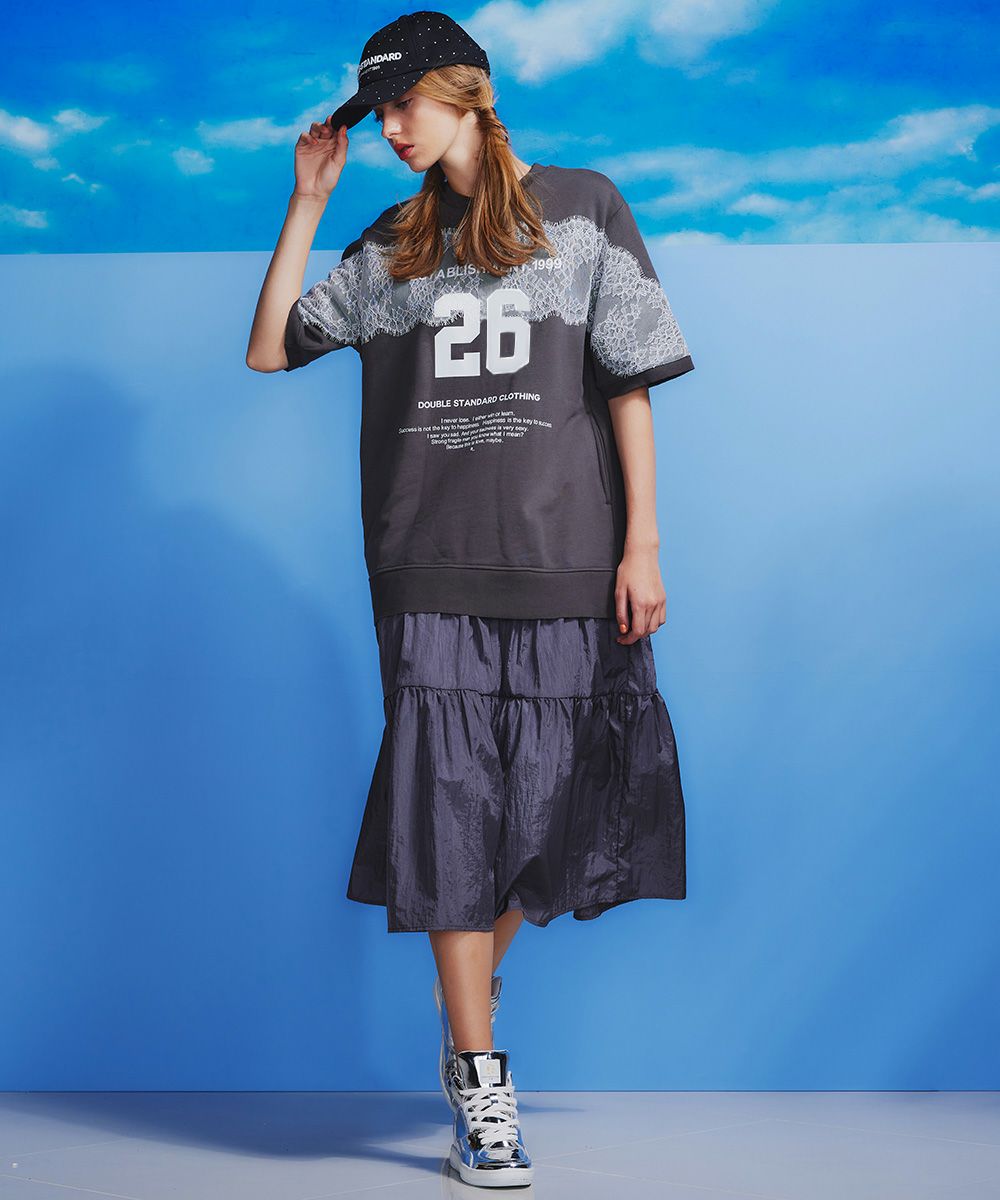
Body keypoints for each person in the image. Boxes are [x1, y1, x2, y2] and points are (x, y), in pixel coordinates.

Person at [246, 10, 695, 1188]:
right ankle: (480, 1080)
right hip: (426, 561)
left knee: (553, 814)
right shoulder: (394, 239)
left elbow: (629, 383)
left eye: (402, 103)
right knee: (449, 815)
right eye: (376, 111)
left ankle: (469, 992)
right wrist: (307, 201)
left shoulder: (583, 207)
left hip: (567, 555)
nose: (390, 127)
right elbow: (271, 347)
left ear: (466, 93)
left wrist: (642, 543)